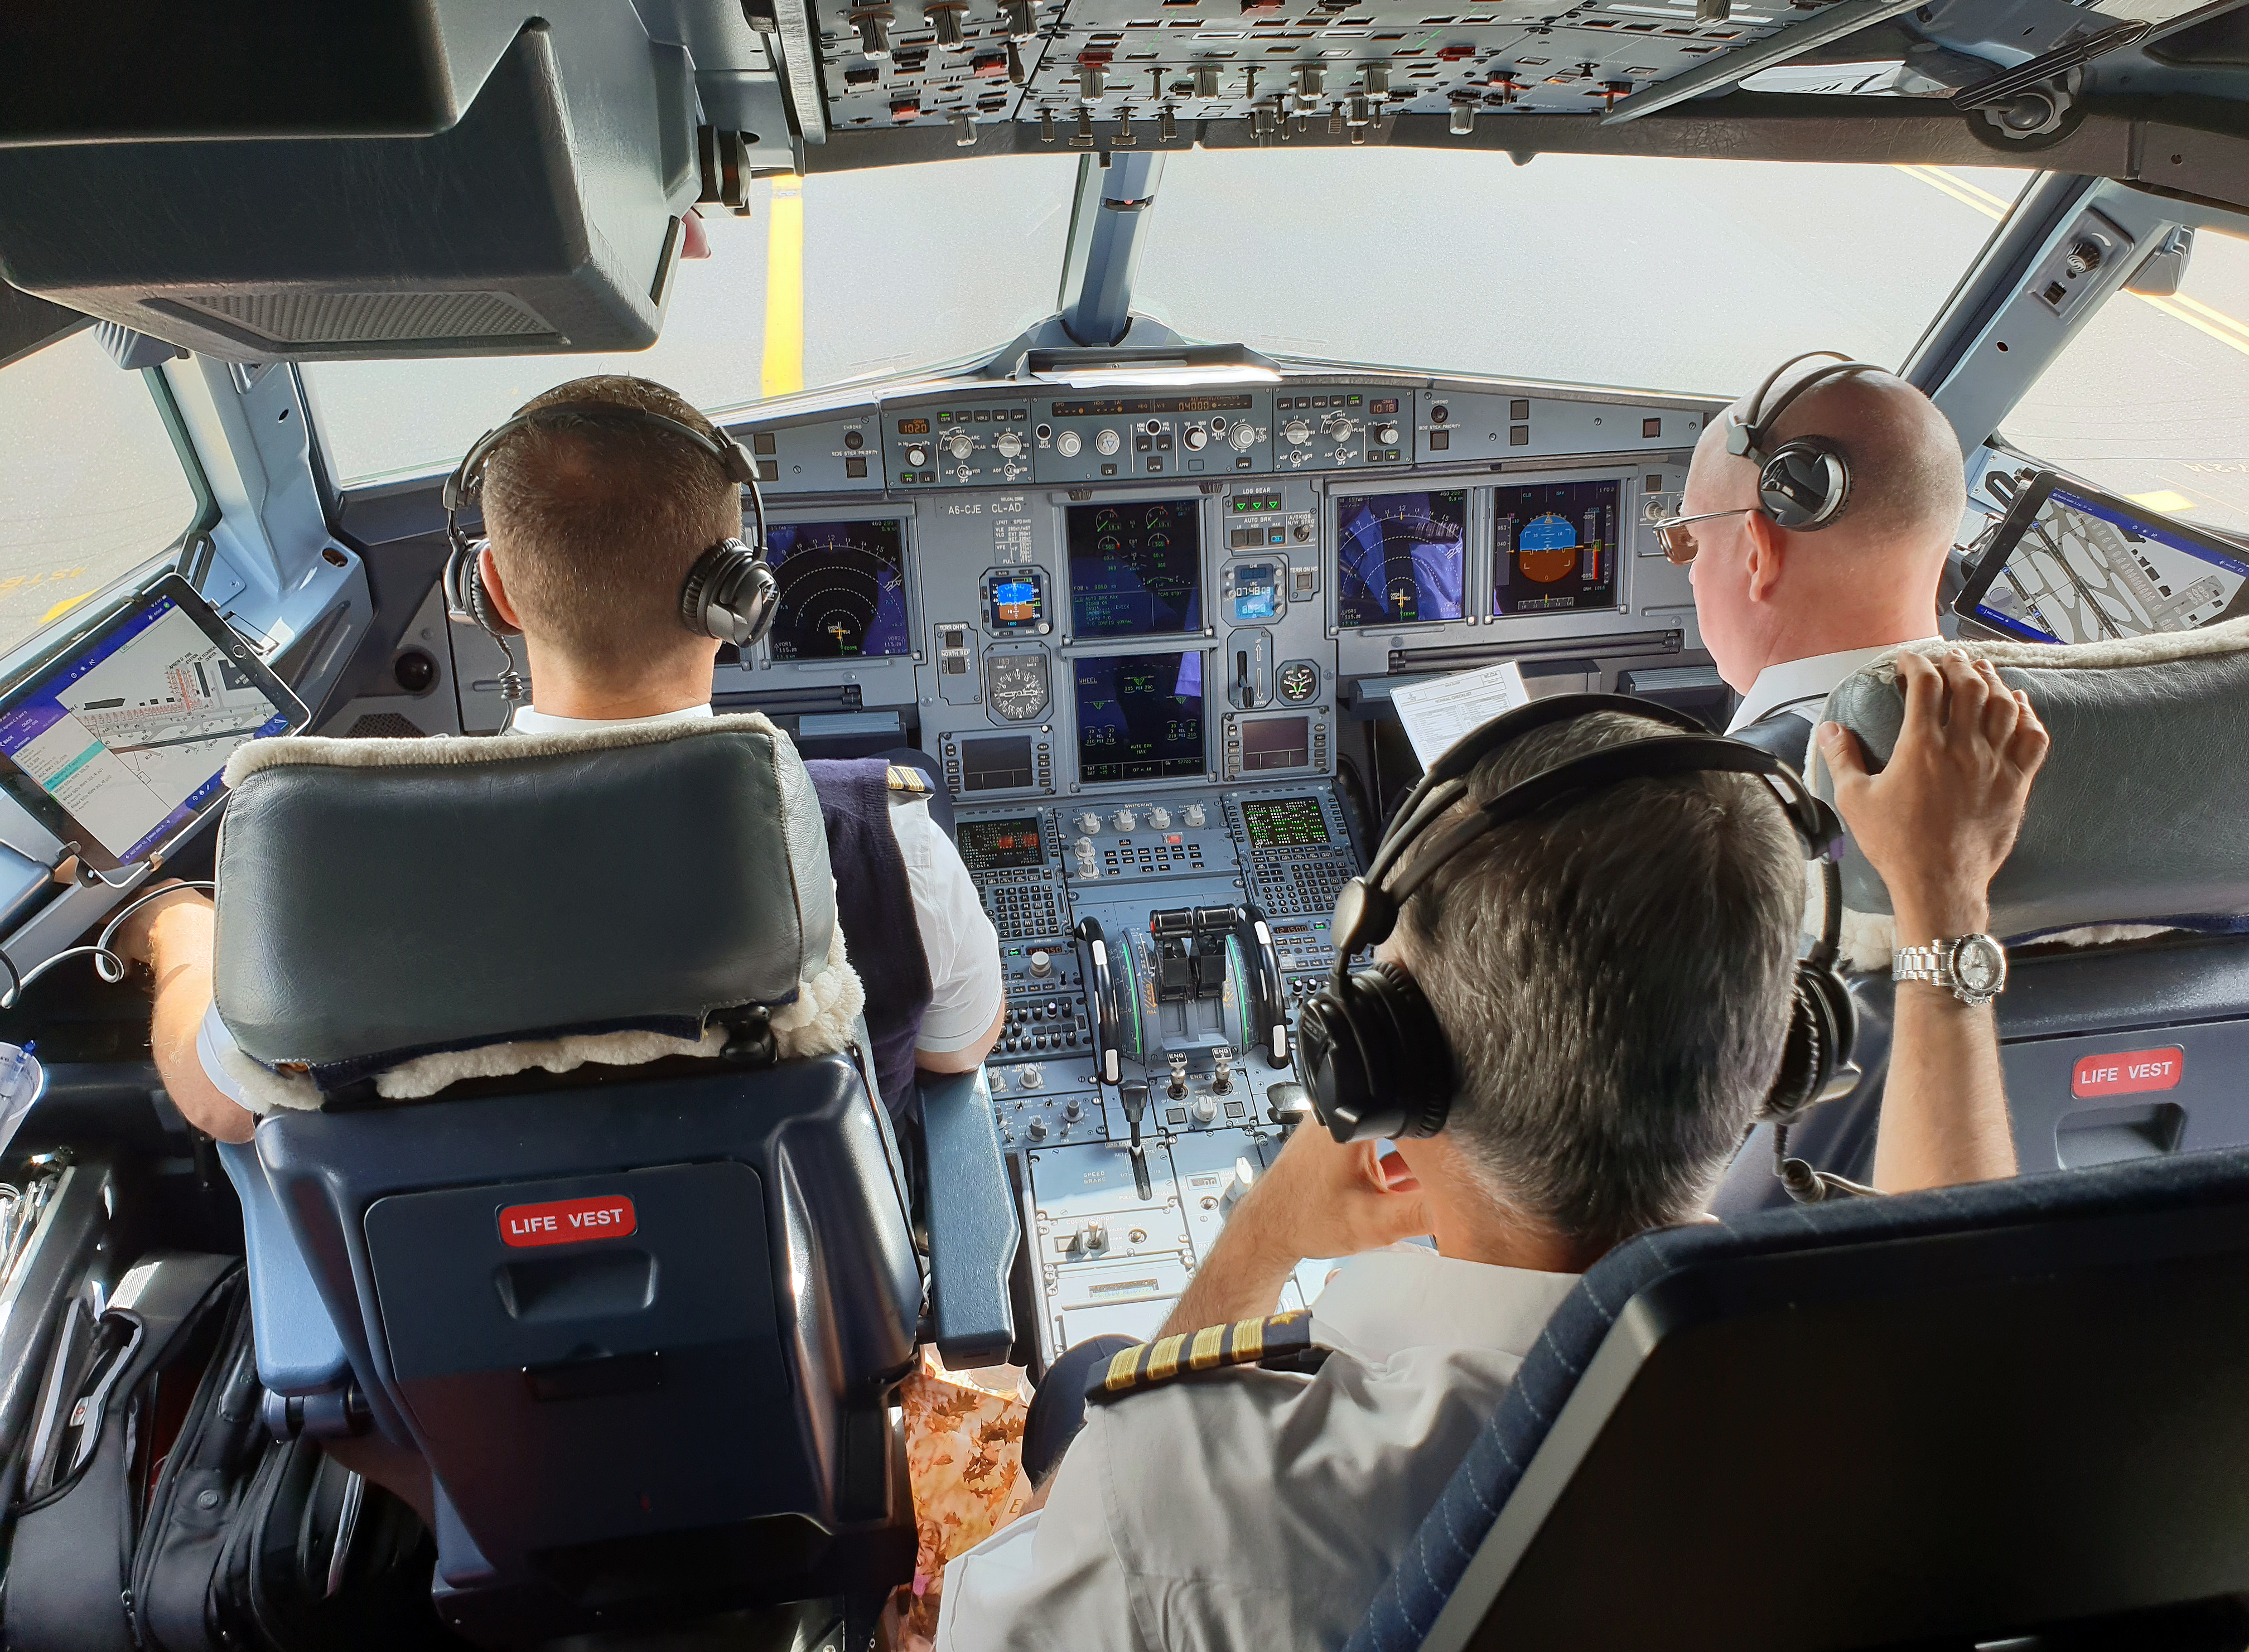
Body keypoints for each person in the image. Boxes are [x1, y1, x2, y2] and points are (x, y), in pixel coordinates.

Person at [935, 649, 2047, 1652]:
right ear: (1779, 1064)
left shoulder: (1177, 1490)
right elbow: (1959, 1300)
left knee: (1084, 1383)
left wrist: (1262, 1236)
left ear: (1378, 1072)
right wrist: (1944, 901)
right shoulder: (1902, 1426)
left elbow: (982, 1632)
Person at [114, 375, 1005, 1149]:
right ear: (736, 594)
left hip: (460, 1332)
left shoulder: (331, 863)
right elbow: (957, 1051)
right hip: (808, 1326)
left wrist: (180, 933)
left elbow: (219, 1106)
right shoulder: (892, 844)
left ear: (490, 590)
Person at [1663, 352, 1966, 757]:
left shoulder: (1722, 796)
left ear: (1759, 557)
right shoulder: (2052, 712)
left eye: (1696, 542)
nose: (1693, 576)